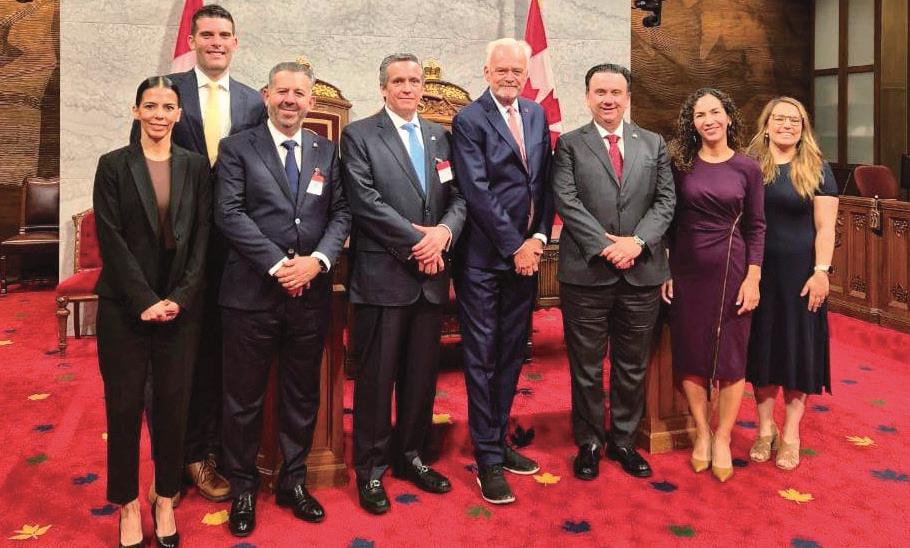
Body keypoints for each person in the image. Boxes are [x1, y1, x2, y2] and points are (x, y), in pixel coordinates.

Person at [130, 3, 266, 505]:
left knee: (216, 360)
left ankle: (204, 453)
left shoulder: (252, 101)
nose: (216, 43)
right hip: (174, 252)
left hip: (231, 255)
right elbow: (142, 172)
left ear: (236, 42)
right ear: (192, 41)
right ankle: (169, 461)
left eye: (224, 35)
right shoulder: (165, 93)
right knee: (168, 360)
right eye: (206, 34)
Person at [216, 61, 351, 537]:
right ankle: (243, 488)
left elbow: (341, 213)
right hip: (250, 295)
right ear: (266, 96)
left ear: (311, 101)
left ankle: (294, 482)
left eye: (299, 93)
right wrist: (279, 265)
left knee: (301, 395)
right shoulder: (237, 147)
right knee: (242, 399)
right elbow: (229, 214)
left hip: (310, 295)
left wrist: (317, 262)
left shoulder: (326, 150)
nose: (290, 100)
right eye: (282, 92)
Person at [341, 53, 466, 514]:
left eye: (414, 80)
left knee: (420, 378)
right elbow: (365, 202)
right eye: (399, 81)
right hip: (384, 276)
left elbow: (459, 196)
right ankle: (371, 469)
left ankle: (411, 455)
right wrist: (421, 243)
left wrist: (444, 233)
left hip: (431, 279)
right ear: (383, 88)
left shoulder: (439, 136)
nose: (409, 87)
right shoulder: (359, 135)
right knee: (376, 380)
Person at [95, 76, 211, 548]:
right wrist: (144, 300)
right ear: (136, 110)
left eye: (167, 107)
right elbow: (110, 238)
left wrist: (180, 297)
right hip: (124, 307)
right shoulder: (113, 165)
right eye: (150, 106)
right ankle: (126, 505)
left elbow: (202, 237)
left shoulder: (196, 166)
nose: (159, 114)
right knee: (123, 408)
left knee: (172, 408)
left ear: (179, 114)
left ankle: (164, 499)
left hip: (180, 308)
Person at [551, 64, 675, 482]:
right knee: (586, 366)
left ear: (628, 98)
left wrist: (635, 243)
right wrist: (607, 247)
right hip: (586, 273)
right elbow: (566, 201)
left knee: (632, 364)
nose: (609, 99)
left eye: (616, 92)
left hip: (641, 272)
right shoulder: (569, 144)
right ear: (588, 97)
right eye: (600, 92)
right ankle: (589, 442)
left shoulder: (653, 143)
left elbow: (665, 202)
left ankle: (623, 440)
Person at [451, 38, 555, 504]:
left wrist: (538, 239)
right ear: (487, 72)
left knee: (513, 353)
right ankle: (487, 459)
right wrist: (515, 245)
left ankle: (496, 440)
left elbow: (544, 183)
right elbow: (476, 191)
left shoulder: (535, 114)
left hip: (527, 257)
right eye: (502, 70)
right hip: (484, 260)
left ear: (526, 74)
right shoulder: (469, 120)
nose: (510, 77)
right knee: (482, 357)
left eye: (517, 70)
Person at [663, 87, 765, 483]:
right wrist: (666, 270)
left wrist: (754, 276)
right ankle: (702, 433)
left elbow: (757, 227)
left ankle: (723, 437)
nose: (709, 120)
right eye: (700, 114)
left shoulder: (747, 168)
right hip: (686, 269)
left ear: (728, 117)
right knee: (691, 353)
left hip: (732, 269)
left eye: (715, 112)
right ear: (692, 123)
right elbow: (668, 223)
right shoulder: (680, 166)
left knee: (731, 357)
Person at [745, 97, 838, 470]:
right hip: (757, 273)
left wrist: (822, 271)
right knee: (763, 350)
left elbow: (825, 227)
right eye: (779, 119)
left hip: (801, 276)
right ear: (766, 125)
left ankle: (791, 434)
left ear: (803, 128)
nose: (787, 125)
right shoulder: (750, 166)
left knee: (798, 352)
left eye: (794, 120)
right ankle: (764, 428)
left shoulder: (817, 168)